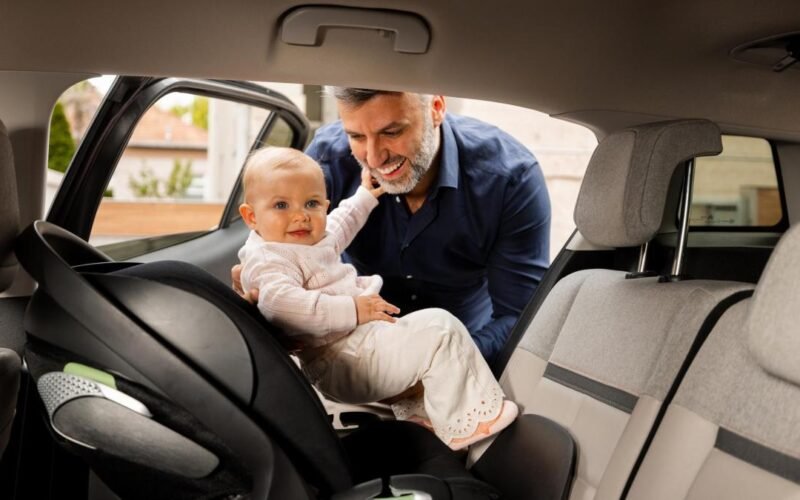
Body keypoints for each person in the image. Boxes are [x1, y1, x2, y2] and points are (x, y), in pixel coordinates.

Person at [236, 146, 518, 450]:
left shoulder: (306, 240)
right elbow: (282, 304)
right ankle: (467, 423)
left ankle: (421, 417)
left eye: (312, 203)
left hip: (355, 347)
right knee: (440, 329)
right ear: (251, 216)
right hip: (339, 361)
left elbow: (340, 224)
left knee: (422, 337)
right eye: (281, 205)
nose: (300, 216)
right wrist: (353, 309)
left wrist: (365, 196)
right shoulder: (268, 260)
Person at [304, 89, 551, 364]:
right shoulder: (325, 161)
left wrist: (442, 367)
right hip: (354, 349)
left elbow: (519, 316)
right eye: (357, 136)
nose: (373, 159)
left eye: (392, 132)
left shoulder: (510, 179)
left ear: (436, 108)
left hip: (467, 348)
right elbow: (288, 255)